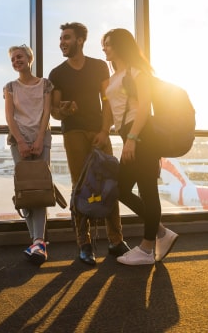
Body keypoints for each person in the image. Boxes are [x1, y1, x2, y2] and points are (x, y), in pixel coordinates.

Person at [48, 22, 130, 266]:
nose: (62, 42)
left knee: (109, 183)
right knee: (80, 186)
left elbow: (107, 101)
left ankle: (116, 241)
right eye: (61, 38)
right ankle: (84, 244)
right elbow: (54, 111)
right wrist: (62, 110)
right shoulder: (57, 73)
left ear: (80, 40)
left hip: (99, 131)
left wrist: (105, 131)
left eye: (67, 38)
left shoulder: (98, 67)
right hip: (73, 132)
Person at [101, 28, 179, 265]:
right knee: (122, 189)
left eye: (108, 44)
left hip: (141, 135)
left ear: (121, 46)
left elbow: (145, 107)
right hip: (129, 136)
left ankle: (147, 249)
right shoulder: (114, 77)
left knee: (146, 190)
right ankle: (161, 233)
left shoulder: (138, 72)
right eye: (103, 44)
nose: (104, 48)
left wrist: (133, 139)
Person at [4, 44, 53, 265]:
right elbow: (10, 117)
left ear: (30, 58)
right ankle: (37, 241)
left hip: (42, 140)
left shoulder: (45, 85)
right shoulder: (10, 87)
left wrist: (40, 139)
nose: (16, 61)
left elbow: (46, 114)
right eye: (13, 59)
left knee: (40, 190)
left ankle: (39, 241)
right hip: (19, 142)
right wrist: (22, 141)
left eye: (20, 57)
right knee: (25, 190)